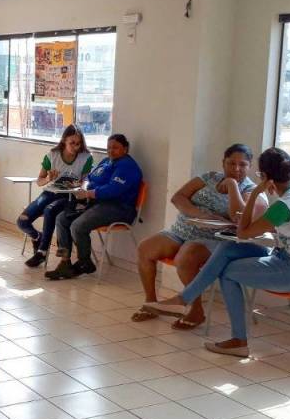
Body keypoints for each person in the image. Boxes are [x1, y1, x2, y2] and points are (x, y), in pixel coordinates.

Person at [148, 147, 290, 358]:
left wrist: (256, 193)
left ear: (264, 177)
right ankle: (184, 300)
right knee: (227, 248)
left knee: (227, 272)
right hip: (285, 258)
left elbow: (243, 232)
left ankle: (238, 340)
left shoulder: (285, 205)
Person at [133, 144, 266, 329]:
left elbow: (239, 216)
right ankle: (151, 304)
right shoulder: (209, 177)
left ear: (250, 166)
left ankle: (195, 311)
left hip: (212, 239)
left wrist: (232, 185)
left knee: (185, 258)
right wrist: (201, 214)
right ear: (223, 163)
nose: (236, 169)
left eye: (242, 165)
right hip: (181, 230)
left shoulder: (251, 190)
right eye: (231, 163)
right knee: (145, 248)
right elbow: (178, 197)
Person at [45, 134, 143, 280]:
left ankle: (84, 262)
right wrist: (81, 186)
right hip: (96, 203)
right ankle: (65, 262)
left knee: (77, 226)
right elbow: (89, 177)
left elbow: (113, 190)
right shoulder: (106, 161)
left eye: (115, 148)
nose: (111, 151)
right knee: (61, 219)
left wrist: (88, 193)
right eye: (108, 148)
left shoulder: (127, 166)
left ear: (125, 149)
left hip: (119, 208)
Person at [19, 125, 94, 268]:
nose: (76, 147)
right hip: (50, 193)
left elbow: (87, 181)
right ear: (64, 140)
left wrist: (81, 185)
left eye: (78, 144)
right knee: (22, 221)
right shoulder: (52, 155)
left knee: (50, 210)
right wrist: (48, 178)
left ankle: (42, 251)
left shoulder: (86, 157)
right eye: (72, 143)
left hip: (69, 196)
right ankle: (38, 237)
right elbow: (39, 181)